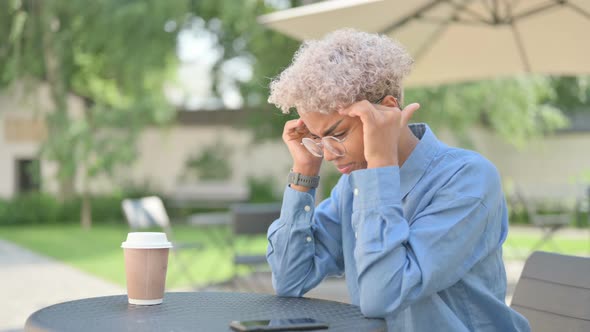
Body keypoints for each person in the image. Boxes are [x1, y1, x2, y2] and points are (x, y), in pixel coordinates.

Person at [265, 29, 530, 331]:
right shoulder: (354, 186)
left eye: (337, 135)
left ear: (388, 110)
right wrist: (304, 171)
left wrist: (380, 164)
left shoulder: (468, 180)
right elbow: (290, 279)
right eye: (316, 138)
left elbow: (383, 295)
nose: (328, 154)